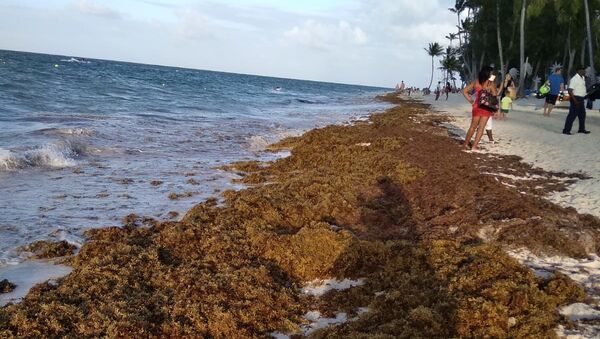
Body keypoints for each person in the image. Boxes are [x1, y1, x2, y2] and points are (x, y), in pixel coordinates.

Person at [462, 66, 498, 150]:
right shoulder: (490, 83)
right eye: (491, 73)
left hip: (477, 106)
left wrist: (471, 101)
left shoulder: (476, 82)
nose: (492, 74)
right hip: (486, 107)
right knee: (481, 127)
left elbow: (464, 91)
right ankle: (474, 146)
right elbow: (495, 94)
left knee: (472, 127)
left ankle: (465, 144)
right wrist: (491, 84)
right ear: (488, 74)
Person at [563, 66, 590, 134]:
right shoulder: (574, 79)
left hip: (581, 99)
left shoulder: (583, 78)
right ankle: (566, 130)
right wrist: (575, 101)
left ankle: (581, 129)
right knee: (572, 115)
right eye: (584, 71)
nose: (585, 72)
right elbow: (570, 90)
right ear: (579, 71)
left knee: (582, 115)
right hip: (575, 99)